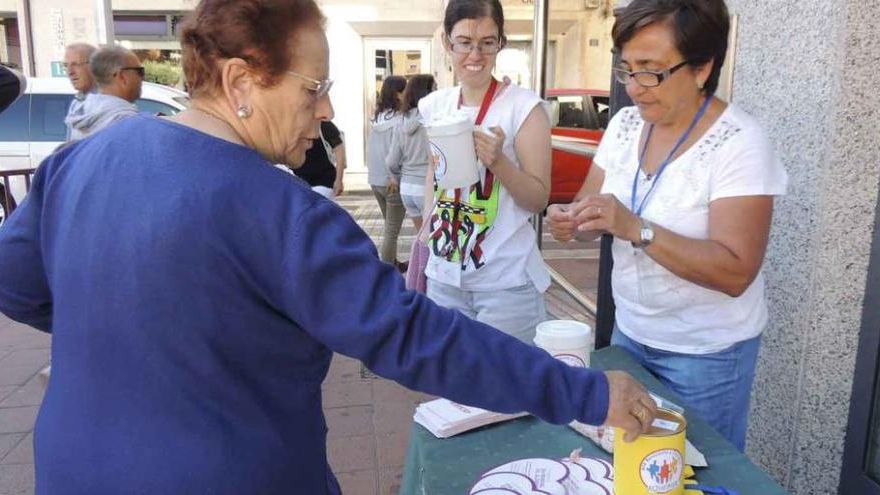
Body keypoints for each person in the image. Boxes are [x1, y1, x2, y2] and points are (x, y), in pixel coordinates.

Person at [0, 0, 656, 492]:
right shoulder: (277, 208)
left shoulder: (81, 160)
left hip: (71, 467)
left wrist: (131, 326)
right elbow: (416, 337)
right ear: (238, 83)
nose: (323, 110)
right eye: (312, 88)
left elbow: (17, 282)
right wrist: (587, 394)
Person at [547, 0, 788, 451]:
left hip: (707, 357)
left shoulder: (739, 144)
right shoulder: (622, 126)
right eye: (627, 69)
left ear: (702, 68)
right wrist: (573, 221)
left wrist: (638, 228)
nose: (636, 87)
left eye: (651, 71)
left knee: (692, 470)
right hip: (630, 334)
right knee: (629, 461)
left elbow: (736, 272)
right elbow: (591, 205)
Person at [418, 0, 552, 344]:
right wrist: (426, 231)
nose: (475, 54)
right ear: (447, 43)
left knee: (505, 394)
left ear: (500, 43)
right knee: (450, 387)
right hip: (445, 277)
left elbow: (538, 199)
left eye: (487, 42)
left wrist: (499, 163)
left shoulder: (524, 108)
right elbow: (433, 177)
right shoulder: (435, 106)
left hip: (505, 283)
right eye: (464, 42)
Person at [366, 75, 407, 268]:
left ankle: (393, 262)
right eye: (404, 89)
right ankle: (388, 270)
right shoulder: (399, 120)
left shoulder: (376, 117)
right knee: (391, 231)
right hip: (392, 181)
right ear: (397, 93)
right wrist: (395, 177)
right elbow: (395, 153)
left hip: (375, 180)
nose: (407, 93)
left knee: (390, 227)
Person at [386, 74, 436, 232]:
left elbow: (391, 161)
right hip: (426, 186)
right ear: (426, 93)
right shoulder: (432, 120)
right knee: (433, 242)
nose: (438, 92)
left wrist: (398, 177)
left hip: (407, 188)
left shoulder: (400, 121)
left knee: (421, 238)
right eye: (435, 89)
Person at [65, 45, 144, 140]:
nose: (69, 71)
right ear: (122, 76)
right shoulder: (127, 122)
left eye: (75, 64)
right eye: (140, 71)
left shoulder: (79, 114)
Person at [292, 119, 345, 199]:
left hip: (324, 182)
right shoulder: (291, 124)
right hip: (298, 182)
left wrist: (339, 180)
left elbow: (339, 150)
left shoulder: (322, 124)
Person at [62, 43, 97, 140]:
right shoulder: (76, 103)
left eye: (75, 64)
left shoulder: (108, 103)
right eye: (66, 65)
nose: (70, 72)